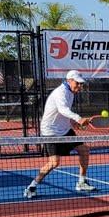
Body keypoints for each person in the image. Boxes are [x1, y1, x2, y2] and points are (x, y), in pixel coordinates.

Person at [23, 70, 94, 199]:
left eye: (81, 84)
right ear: (69, 80)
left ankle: (82, 182)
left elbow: (64, 113)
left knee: (84, 150)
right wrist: (78, 118)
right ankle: (32, 186)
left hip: (64, 130)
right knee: (54, 163)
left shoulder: (71, 93)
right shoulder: (60, 92)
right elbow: (62, 109)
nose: (79, 86)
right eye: (77, 83)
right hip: (50, 131)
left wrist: (73, 122)